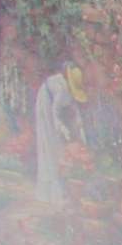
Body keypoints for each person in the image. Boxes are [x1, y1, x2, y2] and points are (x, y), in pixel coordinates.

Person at [30, 60, 83, 204]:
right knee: (50, 146)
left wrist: (79, 131)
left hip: (52, 107)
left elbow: (75, 113)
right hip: (45, 105)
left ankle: (58, 191)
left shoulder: (69, 89)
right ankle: (52, 193)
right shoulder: (61, 90)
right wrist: (62, 128)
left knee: (57, 146)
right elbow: (55, 113)